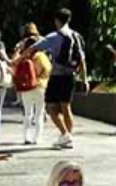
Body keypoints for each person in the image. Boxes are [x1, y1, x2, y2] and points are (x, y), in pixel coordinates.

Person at [23, 8, 87, 149]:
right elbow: (82, 60)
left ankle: (66, 135)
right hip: (71, 76)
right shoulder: (77, 36)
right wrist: (85, 79)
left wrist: (20, 57)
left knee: (51, 108)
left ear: (57, 20)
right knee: (66, 107)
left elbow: (33, 47)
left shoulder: (54, 36)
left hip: (57, 76)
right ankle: (68, 137)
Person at [14, 24, 52, 145]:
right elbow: (48, 69)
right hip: (40, 87)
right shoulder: (41, 56)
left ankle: (26, 137)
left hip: (26, 88)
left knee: (27, 113)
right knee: (39, 114)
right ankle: (37, 138)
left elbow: (14, 67)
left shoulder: (23, 56)